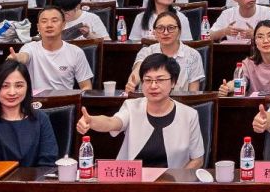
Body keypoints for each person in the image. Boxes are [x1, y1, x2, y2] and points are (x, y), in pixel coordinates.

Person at [78, 52, 206, 173]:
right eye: (148, 80)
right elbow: (112, 122)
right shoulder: (132, 107)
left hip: (171, 183)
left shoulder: (189, 115)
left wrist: (177, 181)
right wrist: (92, 121)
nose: (153, 86)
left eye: (160, 80)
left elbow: (198, 160)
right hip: (132, 181)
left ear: (173, 82)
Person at [0, 60, 60, 166]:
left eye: (19, 86)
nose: (12, 92)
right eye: (5, 86)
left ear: (27, 87)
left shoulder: (41, 119)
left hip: (36, 176)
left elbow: (48, 162)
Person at [11, 5, 94, 95]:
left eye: (54, 21)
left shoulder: (76, 52)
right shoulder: (29, 47)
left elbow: (86, 86)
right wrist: (17, 58)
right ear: (38, 27)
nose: (49, 25)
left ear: (63, 25)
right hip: (35, 101)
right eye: (44, 21)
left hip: (65, 101)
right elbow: (24, 56)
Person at [126, 12, 206, 94]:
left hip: (180, 101)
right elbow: (137, 71)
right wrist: (132, 83)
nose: (165, 33)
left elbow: (193, 92)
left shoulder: (193, 55)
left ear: (179, 31)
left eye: (171, 28)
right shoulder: (147, 52)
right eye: (160, 28)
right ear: (154, 32)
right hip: (149, 100)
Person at [220, 20, 270, 96]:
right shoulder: (248, 64)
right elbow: (240, 82)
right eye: (260, 37)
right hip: (255, 104)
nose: (265, 41)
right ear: (255, 41)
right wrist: (228, 88)